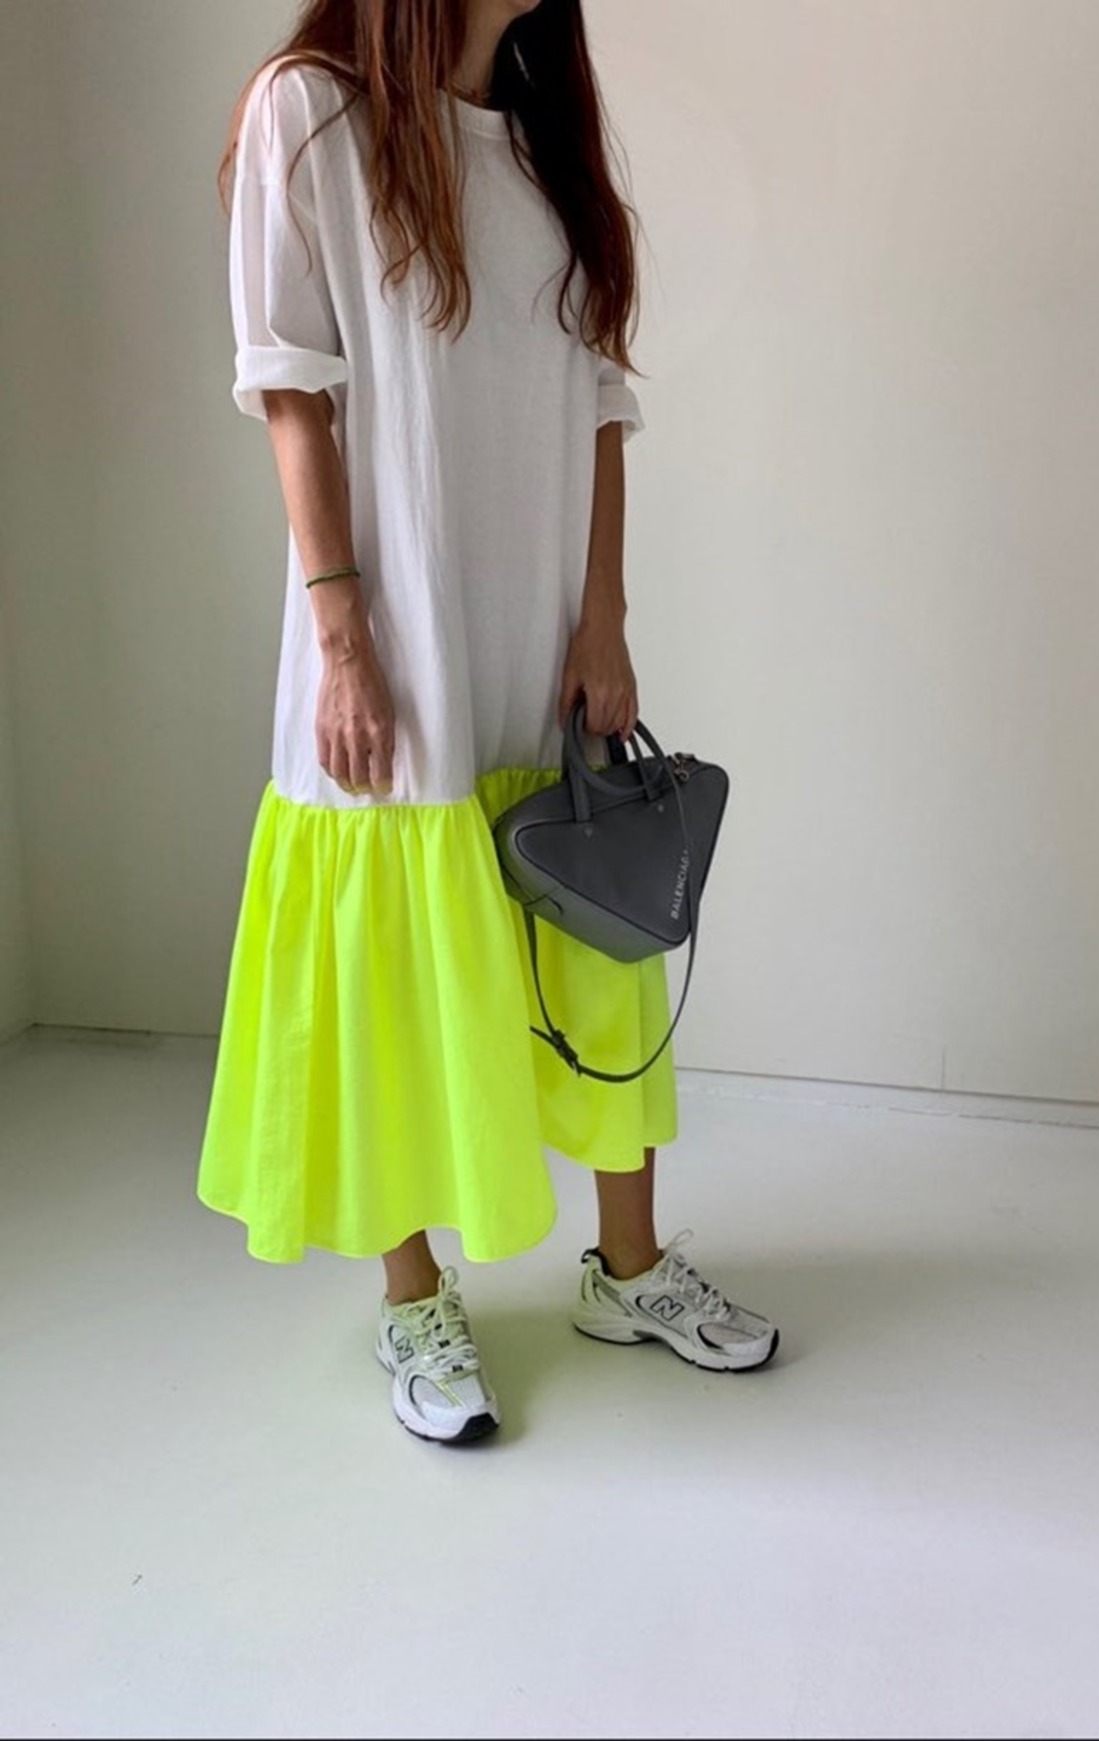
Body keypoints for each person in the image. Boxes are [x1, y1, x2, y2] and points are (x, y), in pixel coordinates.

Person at [199, 0, 778, 1446]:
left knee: (603, 926)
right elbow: (290, 389)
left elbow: (599, 403)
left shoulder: (540, 148)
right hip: (399, 639)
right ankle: (413, 1300)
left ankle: (629, 1271)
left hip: (541, 634)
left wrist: (605, 616)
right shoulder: (309, 113)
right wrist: (342, 638)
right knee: (398, 964)